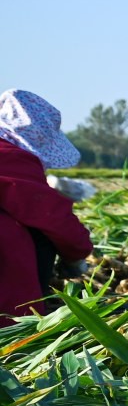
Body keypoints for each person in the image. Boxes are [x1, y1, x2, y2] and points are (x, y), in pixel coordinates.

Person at [0, 89, 94, 324]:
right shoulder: (12, 157)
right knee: (37, 235)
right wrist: (77, 255)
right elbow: (52, 217)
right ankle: (21, 316)